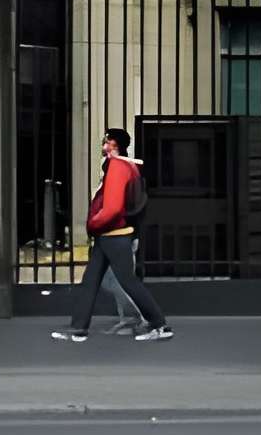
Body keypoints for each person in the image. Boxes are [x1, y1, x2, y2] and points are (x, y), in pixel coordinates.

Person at [53, 127, 172, 343]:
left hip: (113, 234)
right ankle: (78, 328)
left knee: (128, 281)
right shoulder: (126, 167)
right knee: (91, 281)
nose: (103, 146)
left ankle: (159, 324)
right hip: (110, 235)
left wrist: (92, 223)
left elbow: (112, 208)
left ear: (113, 144)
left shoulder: (117, 167)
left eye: (106, 142)